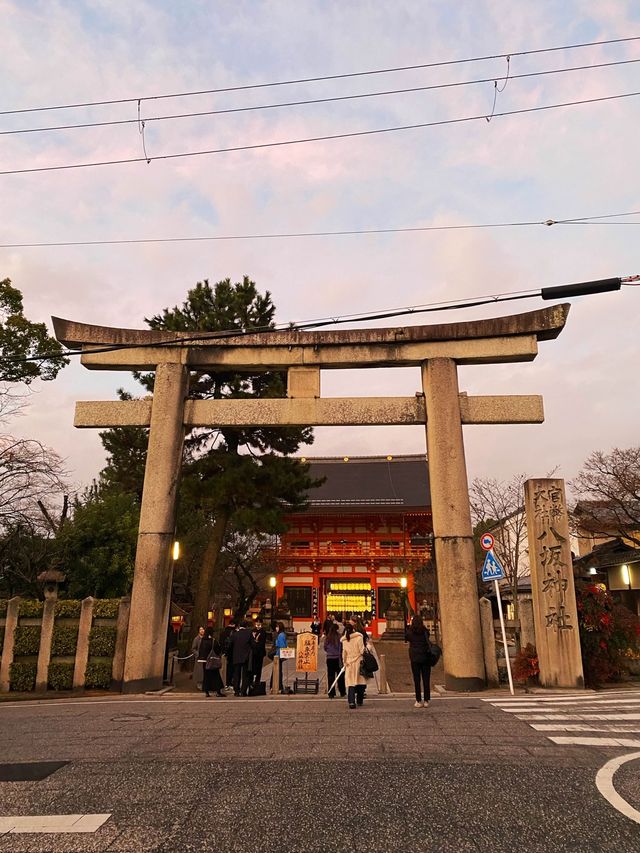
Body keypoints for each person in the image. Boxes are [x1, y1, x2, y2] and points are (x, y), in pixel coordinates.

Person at [405, 614, 432, 708]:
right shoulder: (425, 631)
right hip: (425, 657)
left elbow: (407, 638)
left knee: (417, 679)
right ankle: (426, 700)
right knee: (426, 679)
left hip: (415, 658)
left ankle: (418, 700)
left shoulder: (410, 632)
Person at [341, 622, 367, 709]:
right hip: (358, 661)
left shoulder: (344, 640)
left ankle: (351, 701)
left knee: (350, 683)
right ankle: (359, 700)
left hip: (349, 662)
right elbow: (362, 651)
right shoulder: (359, 638)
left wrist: (344, 662)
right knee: (360, 681)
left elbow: (344, 653)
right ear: (353, 629)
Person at [199, 630, 225, 698]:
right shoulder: (213, 641)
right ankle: (218, 691)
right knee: (216, 676)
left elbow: (201, 650)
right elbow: (218, 650)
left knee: (206, 676)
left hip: (205, 661)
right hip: (213, 660)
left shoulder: (203, 640)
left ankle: (206, 692)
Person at [230, 620, 253, 696]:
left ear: (240, 626)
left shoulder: (235, 634)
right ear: (246, 626)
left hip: (236, 656)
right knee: (245, 674)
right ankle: (243, 691)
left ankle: (236, 690)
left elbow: (231, 644)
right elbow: (252, 644)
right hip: (245, 656)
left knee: (236, 674)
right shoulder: (249, 633)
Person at [324, 622, 346, 699]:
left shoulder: (328, 637)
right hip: (338, 658)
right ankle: (342, 691)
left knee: (330, 676)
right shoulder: (339, 637)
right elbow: (342, 648)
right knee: (340, 676)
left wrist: (329, 652)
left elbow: (325, 647)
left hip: (330, 658)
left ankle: (331, 692)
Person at [271, 621, 288, 694]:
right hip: (279, 655)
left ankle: (276, 686)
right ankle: (276, 686)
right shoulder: (282, 634)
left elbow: (282, 646)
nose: (276, 628)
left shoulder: (280, 635)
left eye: (277, 627)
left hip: (278, 655)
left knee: (277, 671)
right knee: (278, 671)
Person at [250, 619, 267, 687]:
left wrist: (256, 642)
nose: (258, 624)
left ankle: (257, 681)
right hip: (253, 652)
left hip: (260, 652)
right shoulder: (252, 631)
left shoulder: (263, 631)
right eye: (257, 622)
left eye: (259, 622)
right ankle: (251, 681)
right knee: (252, 667)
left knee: (259, 667)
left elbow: (262, 642)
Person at [221, 622, 236, 689]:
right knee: (232, 669)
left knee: (225, 669)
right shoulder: (234, 633)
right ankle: (230, 683)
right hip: (232, 654)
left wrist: (223, 652)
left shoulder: (222, 633)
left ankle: (225, 683)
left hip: (224, 653)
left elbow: (221, 643)